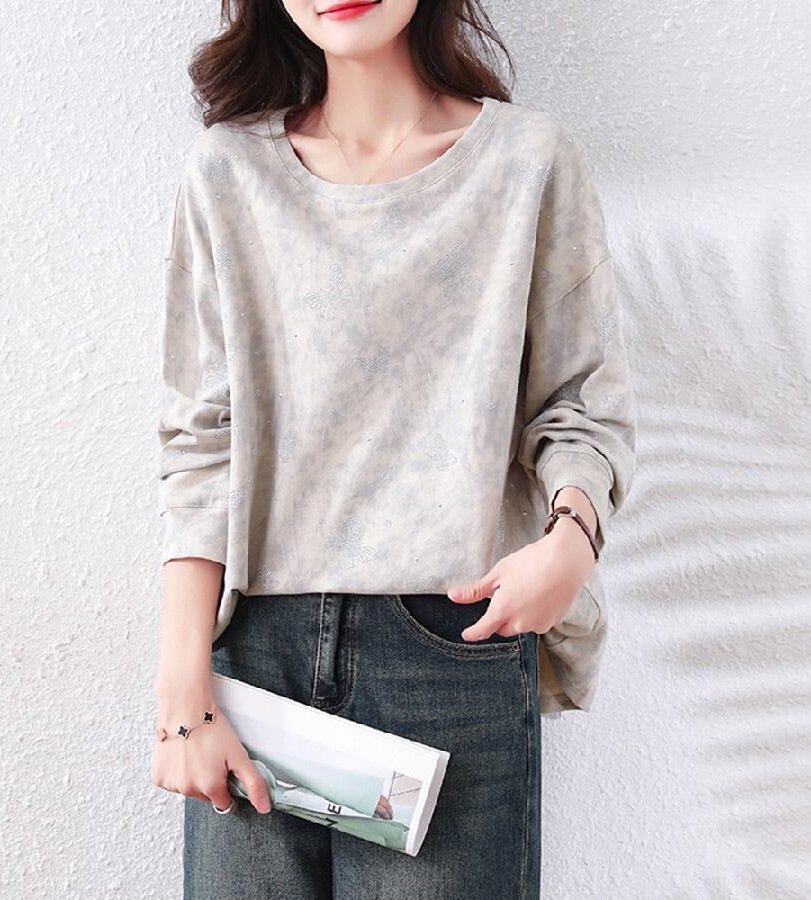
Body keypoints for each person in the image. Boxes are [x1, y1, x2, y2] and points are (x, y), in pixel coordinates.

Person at [150, 1, 637, 897]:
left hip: (452, 647)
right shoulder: (227, 173)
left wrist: (571, 542)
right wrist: (182, 697)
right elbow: (202, 443)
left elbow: (580, 404)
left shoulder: (528, 164)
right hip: (253, 656)